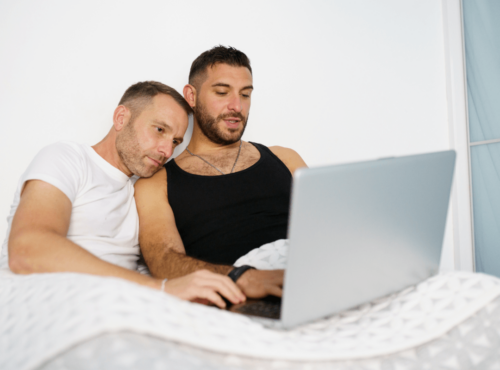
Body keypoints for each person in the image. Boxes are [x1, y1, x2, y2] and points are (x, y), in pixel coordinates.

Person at [1, 81, 245, 308]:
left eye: (176, 141)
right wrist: (160, 289)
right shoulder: (67, 158)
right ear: (121, 118)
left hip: (116, 308)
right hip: (44, 303)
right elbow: (27, 250)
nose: (167, 150)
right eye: (160, 129)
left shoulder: (142, 191)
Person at [135, 46, 307, 298]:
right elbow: (164, 261)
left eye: (245, 95)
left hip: (307, 281)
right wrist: (241, 277)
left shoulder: (285, 158)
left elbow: (329, 229)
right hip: (240, 295)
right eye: (222, 92)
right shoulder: (157, 182)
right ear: (191, 96)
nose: (236, 106)